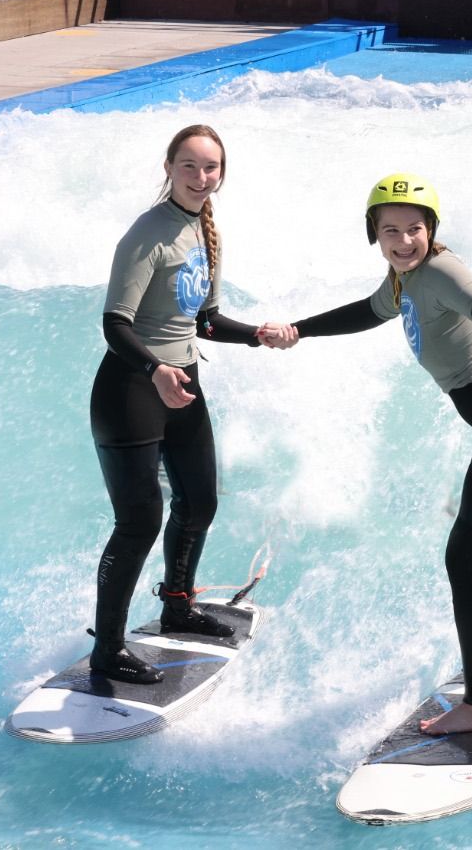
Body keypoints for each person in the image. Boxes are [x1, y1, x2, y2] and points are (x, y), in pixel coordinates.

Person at [265, 173, 472, 734]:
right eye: (390, 230)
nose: (403, 240)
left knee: (467, 560)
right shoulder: (402, 279)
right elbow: (368, 312)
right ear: (374, 234)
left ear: (431, 230)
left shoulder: (440, 271)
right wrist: (299, 329)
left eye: (414, 229)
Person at [87, 124, 287, 684]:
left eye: (211, 167)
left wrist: (256, 335)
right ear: (169, 168)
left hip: (182, 383)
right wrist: (155, 370)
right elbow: (115, 325)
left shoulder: (205, 230)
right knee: (138, 523)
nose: (201, 177)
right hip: (131, 389)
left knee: (199, 502)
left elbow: (205, 321)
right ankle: (108, 649)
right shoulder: (147, 234)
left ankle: (177, 604)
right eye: (189, 166)